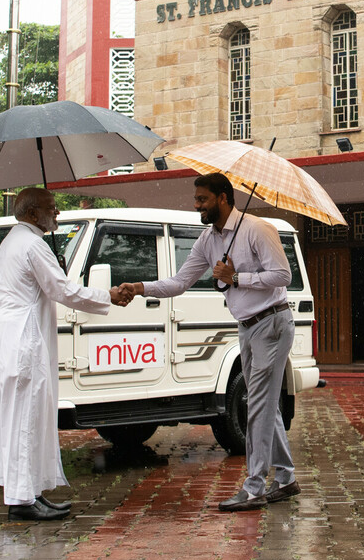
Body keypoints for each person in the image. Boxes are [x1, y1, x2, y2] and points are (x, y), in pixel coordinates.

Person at [121, 173, 299, 512]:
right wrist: (140, 287)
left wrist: (237, 278)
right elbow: (178, 282)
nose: (196, 205)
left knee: (257, 404)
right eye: (196, 199)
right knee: (264, 404)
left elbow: (283, 276)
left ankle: (255, 487)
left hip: (272, 323)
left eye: (202, 199)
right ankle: (286, 478)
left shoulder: (257, 229)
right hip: (246, 326)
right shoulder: (208, 240)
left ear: (222, 198)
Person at [0, 187, 133, 521]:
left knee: (26, 416)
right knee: (26, 416)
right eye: (52, 208)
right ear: (34, 214)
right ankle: (22, 500)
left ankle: (30, 492)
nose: (58, 213)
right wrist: (107, 294)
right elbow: (61, 290)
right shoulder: (33, 244)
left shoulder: (14, 240)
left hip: (11, 335)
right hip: (22, 338)